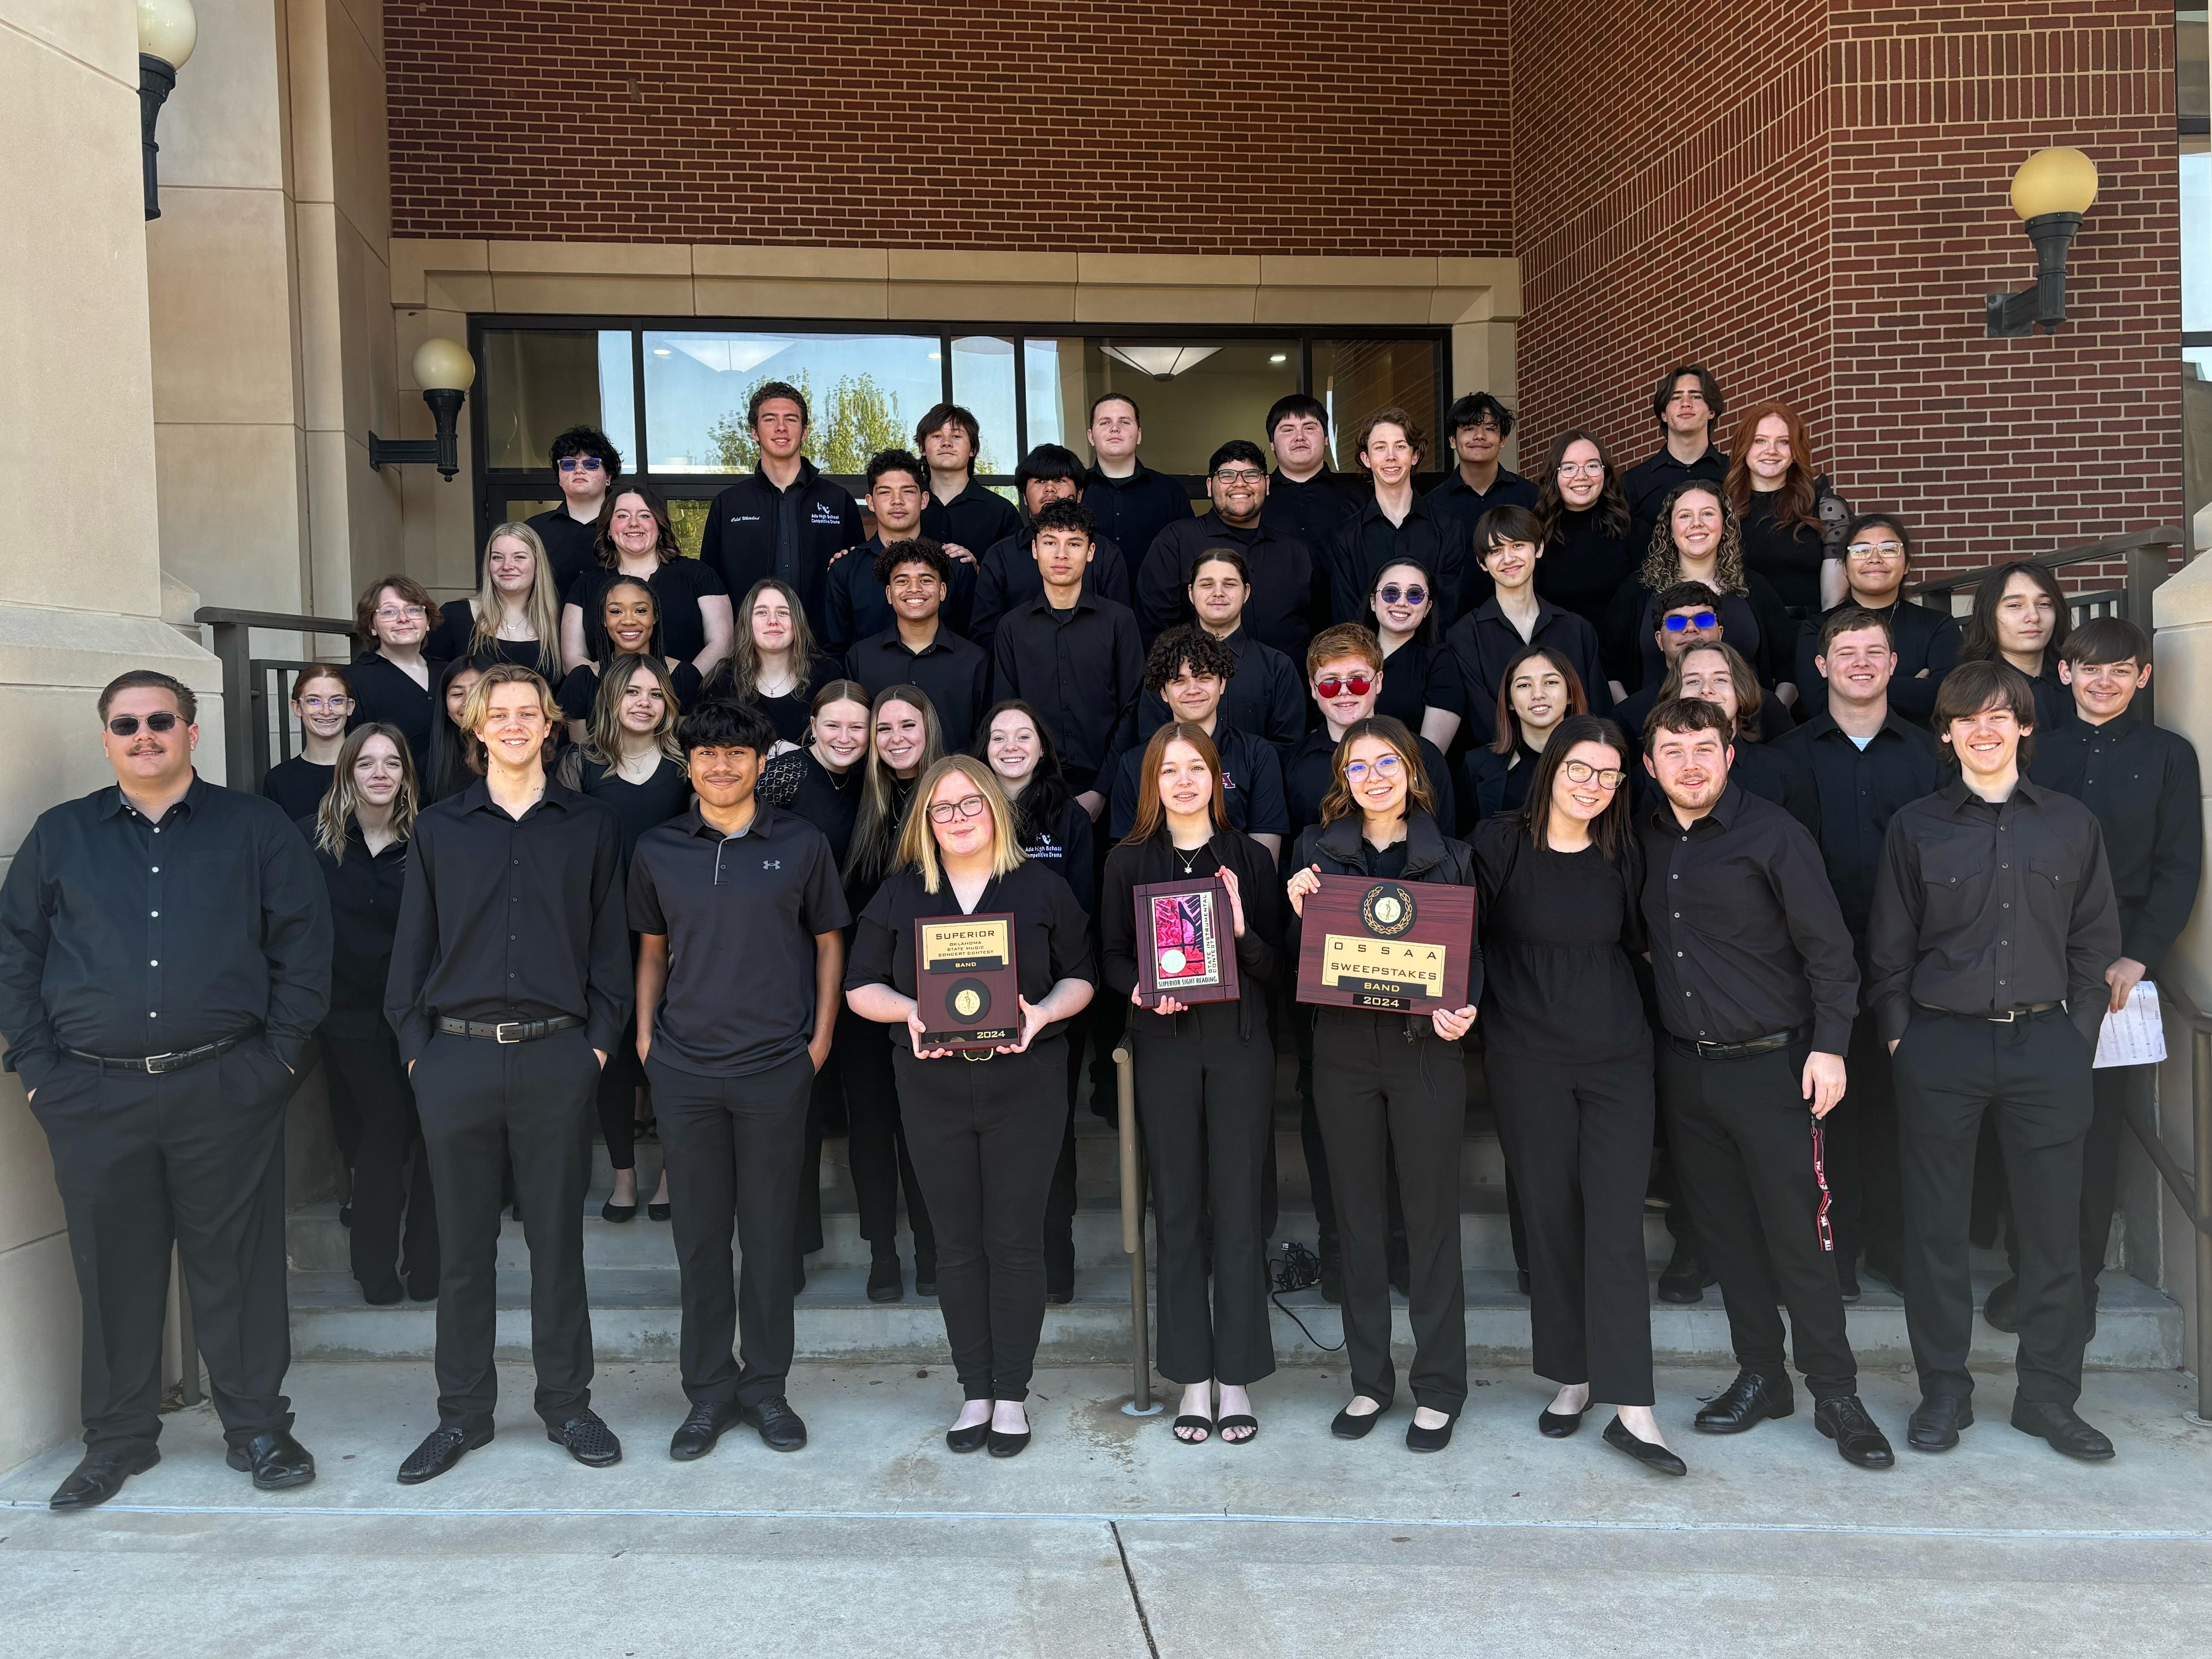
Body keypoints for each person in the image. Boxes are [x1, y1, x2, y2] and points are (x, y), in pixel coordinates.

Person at [0, 670, 330, 1509]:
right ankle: (117, 1440)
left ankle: (258, 1426)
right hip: (92, 1096)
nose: (143, 734)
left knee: (239, 1268)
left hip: (225, 1085)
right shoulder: (60, 835)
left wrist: (275, 1065)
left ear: (191, 731)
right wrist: (40, 1072)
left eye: (159, 720)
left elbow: (305, 949)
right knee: (114, 1272)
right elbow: (16, 960)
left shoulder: (254, 828)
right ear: (106, 738)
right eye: (125, 723)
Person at [1867, 660, 2124, 1461]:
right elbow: (1888, 948)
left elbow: (2094, 942)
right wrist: (1902, 1037)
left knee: (2052, 1234)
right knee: (1934, 1231)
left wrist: (2073, 1036)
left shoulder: (2070, 823)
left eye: (1998, 715)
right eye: (1965, 719)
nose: (1983, 730)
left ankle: (2046, 1397)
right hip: (1939, 1044)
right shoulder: (1914, 825)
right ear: (1944, 734)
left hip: (2044, 1044)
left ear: (2022, 726)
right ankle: (1944, 1389)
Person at [384, 664, 631, 1486]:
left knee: (558, 1242)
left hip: (556, 1054)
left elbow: (609, 954)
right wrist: (421, 1055)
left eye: (531, 712)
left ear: (551, 724)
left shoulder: (589, 827)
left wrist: (593, 1046)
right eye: (502, 713)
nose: (517, 724)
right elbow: (408, 957)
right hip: (453, 1058)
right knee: (462, 1250)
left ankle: (567, 1404)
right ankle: (463, 1414)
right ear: (478, 727)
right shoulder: (440, 829)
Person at [1637, 696, 1894, 1469]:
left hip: (1774, 1068)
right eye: (1671, 751)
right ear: (1648, 766)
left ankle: (1834, 1392)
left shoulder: (1771, 835)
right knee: (1724, 1234)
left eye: (1701, 748)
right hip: (1686, 1070)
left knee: (1798, 1237)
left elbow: (1829, 953)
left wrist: (1829, 1048)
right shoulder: (1641, 840)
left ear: (1728, 754)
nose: (1688, 763)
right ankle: (1760, 1376)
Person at [844, 755, 1097, 1457]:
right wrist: (913, 1011)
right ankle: (973, 1390)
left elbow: (1083, 973)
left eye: (970, 804)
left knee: (1014, 1239)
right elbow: (859, 985)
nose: (957, 818)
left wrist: (1042, 1013)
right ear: (924, 820)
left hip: (1026, 1085)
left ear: (995, 809)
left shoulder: (1041, 888)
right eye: (942, 808)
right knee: (953, 1243)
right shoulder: (900, 895)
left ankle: (1011, 1394)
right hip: (931, 1087)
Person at [629, 700, 849, 1461]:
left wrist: (817, 1042)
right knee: (698, 1240)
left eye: (735, 754)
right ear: (687, 765)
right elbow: (652, 949)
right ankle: (707, 1393)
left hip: (773, 1067)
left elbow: (828, 943)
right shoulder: (659, 847)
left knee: (765, 1236)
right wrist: (647, 1037)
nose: (720, 766)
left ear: (761, 763)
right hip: (685, 1069)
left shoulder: (800, 843)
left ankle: (766, 1388)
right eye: (705, 755)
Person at [1474, 715, 1681, 1475]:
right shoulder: (1496, 845)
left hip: (1617, 1059)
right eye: (1578, 770)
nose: (1591, 786)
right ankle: (1573, 1376)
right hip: (1526, 1059)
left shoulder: (1624, 851)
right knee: (1551, 1219)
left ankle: (1634, 1407)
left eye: (1607, 775)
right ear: (1549, 767)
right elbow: (1446, 930)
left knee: (1615, 1226)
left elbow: (1646, 943)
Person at [2000, 617, 2202, 1340]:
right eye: (2088, 669)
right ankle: (2025, 1273)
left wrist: (2136, 954)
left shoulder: (2168, 756)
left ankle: (2072, 1285)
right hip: (2023, 965)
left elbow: (2180, 865)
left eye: (2119, 670)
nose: (2103, 681)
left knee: (2086, 1131)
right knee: (2023, 1125)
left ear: (2141, 677)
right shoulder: (2033, 752)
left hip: (2110, 973)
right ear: (2063, 674)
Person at [1285, 716, 1480, 1451]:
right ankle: (1369, 1382)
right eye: (1357, 764)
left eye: (1386, 761)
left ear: (1410, 770)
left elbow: (1473, 955)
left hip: (1425, 1052)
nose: (1373, 775)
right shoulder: (1316, 853)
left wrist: (1465, 1008)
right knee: (1356, 1220)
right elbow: (1296, 960)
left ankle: (1439, 1388)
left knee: (1429, 1222)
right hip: (1341, 1054)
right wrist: (1296, 902)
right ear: (1343, 778)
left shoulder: (1454, 856)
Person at [1102, 723, 1284, 1444]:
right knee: (1175, 1211)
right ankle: (1190, 1378)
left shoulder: (1247, 858)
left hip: (1239, 1048)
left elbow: (1277, 966)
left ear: (1218, 777)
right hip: (1164, 1047)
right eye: (1168, 770)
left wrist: (1239, 930)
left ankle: (1234, 1374)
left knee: (1237, 1212)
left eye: (1195, 768)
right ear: (1152, 781)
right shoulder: (1126, 861)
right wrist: (1142, 990)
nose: (1182, 781)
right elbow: (1112, 955)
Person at [1774, 608, 1945, 1297]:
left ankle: (1896, 1251)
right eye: (1846, 652)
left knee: (1905, 1113)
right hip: (1814, 969)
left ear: (1894, 664)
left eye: (1875, 651)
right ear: (1821, 667)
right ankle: (1834, 1254)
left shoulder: (1930, 754)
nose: (1862, 662)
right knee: (1826, 1114)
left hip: (1914, 966)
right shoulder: (1789, 757)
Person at [556, 655, 694, 1223]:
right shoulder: (579, 765)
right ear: (611, 698)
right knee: (611, 1057)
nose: (644, 702)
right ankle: (622, 1176)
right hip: (602, 930)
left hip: (671, 931)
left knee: (667, 1055)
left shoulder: (686, 768)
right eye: (632, 692)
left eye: (656, 693)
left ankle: (668, 1175)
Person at [306, 724, 437, 1306]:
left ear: (407, 774)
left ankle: (429, 1263)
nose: (380, 773)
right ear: (348, 774)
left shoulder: (431, 842)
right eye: (366, 764)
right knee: (385, 1127)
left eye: (392, 763)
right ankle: (374, 1266)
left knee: (435, 1134)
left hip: (422, 1014)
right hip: (349, 1016)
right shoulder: (311, 844)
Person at [985, 700, 1097, 1304]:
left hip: (1052, 1002)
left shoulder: (1070, 818)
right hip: (972, 1001)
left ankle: (1056, 1262)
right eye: (998, 737)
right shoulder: (964, 811)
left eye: (1023, 735)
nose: (1010, 746)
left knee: (1051, 1133)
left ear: (1042, 746)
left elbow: (1078, 911)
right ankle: (1004, 1264)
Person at [836, 687, 947, 1300]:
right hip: (867, 990)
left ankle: (932, 1247)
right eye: (884, 729)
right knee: (873, 1125)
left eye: (910, 724)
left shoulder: (956, 795)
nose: (896, 738)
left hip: (942, 988)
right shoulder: (858, 799)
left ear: (930, 728)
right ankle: (883, 1251)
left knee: (925, 1125)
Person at [990, 498, 1145, 807]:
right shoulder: (1011, 627)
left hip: (1112, 788)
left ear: (1090, 553)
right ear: (1035, 550)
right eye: (1050, 543)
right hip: (1032, 790)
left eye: (1074, 544)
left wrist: (1102, 790)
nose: (1061, 555)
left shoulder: (1120, 621)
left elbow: (1134, 707)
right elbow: (1006, 714)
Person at [698, 380, 866, 637]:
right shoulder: (728, 504)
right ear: (754, 432)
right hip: (748, 651)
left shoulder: (838, 501)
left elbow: (858, 578)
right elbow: (710, 588)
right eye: (770, 420)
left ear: (805, 432)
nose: (781, 428)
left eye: (791, 419)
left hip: (824, 648)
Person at [1604, 481, 1795, 703]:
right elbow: (1608, 668)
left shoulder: (1753, 587)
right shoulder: (1640, 589)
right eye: (1685, 516)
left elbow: (1789, 665)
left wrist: (1774, 715)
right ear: (1670, 528)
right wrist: (1631, 716)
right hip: (1657, 729)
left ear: (1725, 525)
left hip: (1746, 731)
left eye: (1708, 514)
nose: (1697, 524)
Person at [1108, 627, 1289, 860]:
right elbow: (1128, 859)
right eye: (1179, 681)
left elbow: (1265, 857)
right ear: (1164, 692)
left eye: (1204, 678)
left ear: (1222, 684)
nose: (1193, 690)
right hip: (1162, 893)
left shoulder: (1258, 755)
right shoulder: (1134, 763)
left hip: (1237, 892)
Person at [1137, 439, 1320, 661]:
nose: (1240, 484)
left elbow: (1319, 628)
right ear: (1209, 486)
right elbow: (1154, 628)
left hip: (1288, 690)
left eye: (1251, 474)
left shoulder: (1296, 552)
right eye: (1227, 475)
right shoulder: (1176, 541)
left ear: (1267, 484)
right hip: (1203, 689)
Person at [1446, 504, 1610, 751]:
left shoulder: (1577, 629)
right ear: (1483, 563)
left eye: (1518, 546)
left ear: (1539, 548)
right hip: (1505, 771)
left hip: (1575, 766)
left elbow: (1597, 711)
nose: (1509, 558)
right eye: (1496, 551)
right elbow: (1483, 723)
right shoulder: (1465, 636)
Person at [1286, 625, 1457, 840]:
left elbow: (1446, 846)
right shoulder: (1291, 763)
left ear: (1378, 682)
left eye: (1357, 681)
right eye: (1330, 683)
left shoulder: (1424, 755)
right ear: (1313, 688)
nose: (1344, 692)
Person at [1792, 515, 1961, 728]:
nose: (1875, 558)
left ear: (1907, 564)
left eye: (1889, 549)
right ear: (1844, 567)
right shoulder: (1817, 628)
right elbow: (1819, 703)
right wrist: (1912, 687)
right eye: (1861, 551)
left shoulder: (1938, 626)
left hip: (1921, 751)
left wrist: (1852, 688)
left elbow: (1951, 698)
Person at [1133, 548, 1305, 751]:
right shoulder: (1166, 661)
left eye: (1229, 584)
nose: (1218, 593)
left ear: (1246, 592)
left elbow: (1288, 747)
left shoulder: (1277, 667)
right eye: (1207, 585)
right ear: (1191, 593)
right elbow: (1151, 741)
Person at [561, 484, 732, 684]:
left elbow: (723, 644)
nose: (634, 523)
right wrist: (615, 691)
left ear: (659, 526)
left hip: (688, 705)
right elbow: (571, 659)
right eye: (623, 516)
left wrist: (681, 684)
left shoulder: (699, 575)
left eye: (644, 516)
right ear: (609, 529)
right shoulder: (585, 585)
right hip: (605, 704)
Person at [969, 444, 1133, 652]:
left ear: (1080, 493)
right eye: (1039, 481)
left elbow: (1120, 630)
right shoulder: (1001, 557)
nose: (1050, 489)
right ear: (1025, 497)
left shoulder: (1106, 554)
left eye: (1060, 480)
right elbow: (985, 635)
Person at [1646, 643, 1818, 832]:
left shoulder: (1784, 771)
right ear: (1675, 694)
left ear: (1740, 690)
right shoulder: (1650, 777)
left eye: (1720, 679)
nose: (1706, 690)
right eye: (1693, 681)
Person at [843, 538, 991, 749]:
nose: (914, 589)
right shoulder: (860, 658)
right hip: (882, 782)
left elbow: (983, 737)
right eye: (903, 581)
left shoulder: (975, 661)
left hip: (953, 780)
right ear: (889, 594)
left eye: (926, 580)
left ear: (942, 591)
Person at [824, 449, 976, 654]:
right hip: (867, 685)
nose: (897, 501)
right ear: (870, 502)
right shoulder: (845, 569)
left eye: (907, 491)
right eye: (886, 492)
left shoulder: (955, 565)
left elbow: (971, 645)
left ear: (924, 500)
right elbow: (837, 651)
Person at [1324, 408, 1464, 625]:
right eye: (1380, 448)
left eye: (1400, 447)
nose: (1391, 456)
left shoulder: (1448, 527)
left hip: (1432, 657)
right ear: (1366, 459)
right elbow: (1347, 615)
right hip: (1369, 657)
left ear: (1415, 456)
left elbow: (1448, 608)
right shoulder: (1346, 536)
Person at [1723, 401, 1844, 620]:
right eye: (1760, 441)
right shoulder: (1723, 508)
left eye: (1783, 442)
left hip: (1806, 631)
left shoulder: (1822, 505)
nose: (1771, 451)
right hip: (1742, 635)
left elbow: (1833, 603)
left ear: (1796, 451)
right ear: (1744, 447)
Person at [1425, 391, 1539, 612]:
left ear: (1503, 440)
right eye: (1469, 429)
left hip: (1523, 622)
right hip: (1454, 626)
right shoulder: (1432, 505)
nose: (1480, 436)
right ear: (1452, 441)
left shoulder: (1532, 497)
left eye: (1490, 428)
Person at [1463, 644, 1588, 829]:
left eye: (1551, 682)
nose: (1538, 694)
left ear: (1570, 694)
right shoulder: (1477, 765)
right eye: (1524, 685)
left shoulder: (1599, 763)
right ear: (1510, 701)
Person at [701, 577, 838, 746]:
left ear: (797, 622)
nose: (773, 621)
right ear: (747, 623)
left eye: (783, 613)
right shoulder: (725, 680)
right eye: (761, 613)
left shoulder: (827, 675)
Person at [557, 576, 699, 731]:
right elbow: (576, 751)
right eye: (616, 611)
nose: (629, 621)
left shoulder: (684, 677)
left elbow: (689, 749)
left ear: (655, 617)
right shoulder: (582, 681)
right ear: (604, 620)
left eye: (640, 611)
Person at [426, 522, 565, 678]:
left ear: (538, 564)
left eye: (519, 557)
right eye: (498, 557)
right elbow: (435, 683)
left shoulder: (559, 622)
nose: (507, 566)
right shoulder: (455, 616)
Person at [1533, 428, 1637, 634]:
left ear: (1605, 472)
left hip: (1620, 659)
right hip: (1557, 656)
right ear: (1556, 475)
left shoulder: (1633, 532)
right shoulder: (1536, 535)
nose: (1581, 476)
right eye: (1569, 468)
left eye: (1592, 466)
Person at [1953, 559, 2073, 734]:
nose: (2034, 616)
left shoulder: (2077, 680)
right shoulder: (1969, 689)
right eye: (2015, 606)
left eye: (2044, 604)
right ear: (1989, 615)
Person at [348, 573, 444, 781]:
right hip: (391, 799)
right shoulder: (353, 680)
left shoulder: (449, 674)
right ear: (372, 626)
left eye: (413, 609)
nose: (403, 618)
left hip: (453, 801)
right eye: (389, 612)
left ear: (427, 621)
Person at [1623, 364, 1728, 552]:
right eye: (1676, 398)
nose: (1686, 403)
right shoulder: (1632, 483)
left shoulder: (1735, 473)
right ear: (1663, 413)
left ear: (1712, 411)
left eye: (1696, 396)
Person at [1363, 557, 1464, 752]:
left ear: (1427, 608)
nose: (1402, 602)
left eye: (1415, 595)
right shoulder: (1348, 658)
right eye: (1391, 593)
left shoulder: (1439, 662)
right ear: (1373, 602)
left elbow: (1431, 755)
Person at [1080, 392, 1190, 569]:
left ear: (1139, 435)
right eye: (1105, 422)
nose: (1115, 429)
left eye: (1124, 422)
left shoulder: (1170, 491)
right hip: (1088, 597)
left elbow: (1188, 553)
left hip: (1156, 597)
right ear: (1091, 436)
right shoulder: (1076, 489)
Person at [916, 401, 1023, 567]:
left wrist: (978, 571)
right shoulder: (907, 505)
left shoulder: (1001, 511)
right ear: (922, 448)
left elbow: (1016, 579)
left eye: (956, 436)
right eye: (937, 436)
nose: (946, 443)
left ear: (973, 449)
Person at [527, 426, 622, 597]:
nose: (579, 470)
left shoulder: (627, 528)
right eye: (569, 464)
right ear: (560, 479)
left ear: (608, 477)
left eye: (591, 464)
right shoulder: (533, 531)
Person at [1260, 393, 1362, 552]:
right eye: (1288, 430)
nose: (1300, 437)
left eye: (1309, 428)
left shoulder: (1360, 493)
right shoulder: (1258, 497)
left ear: (1326, 438)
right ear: (1272, 443)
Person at [263, 663, 352, 821]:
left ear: (350, 707)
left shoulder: (371, 772)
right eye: (314, 701)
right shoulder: (279, 780)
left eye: (337, 701)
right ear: (297, 708)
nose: (326, 711)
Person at [423, 659, 484, 805]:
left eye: (479, 692)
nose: (469, 702)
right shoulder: (427, 766)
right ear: (445, 706)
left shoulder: (524, 754)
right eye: (457, 694)